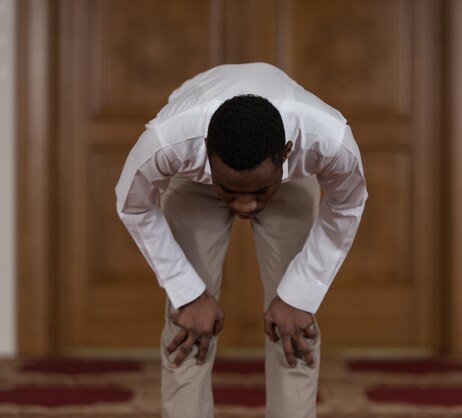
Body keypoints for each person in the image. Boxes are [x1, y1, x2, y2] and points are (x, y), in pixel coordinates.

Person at [115, 62, 367, 418]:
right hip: (195, 183)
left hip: (289, 184)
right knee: (188, 322)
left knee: (294, 324)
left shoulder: (327, 138)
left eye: (257, 192)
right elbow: (134, 206)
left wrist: (301, 292)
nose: (245, 206)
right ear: (205, 150)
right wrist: (187, 292)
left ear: (286, 152)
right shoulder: (168, 142)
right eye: (232, 191)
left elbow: (348, 203)